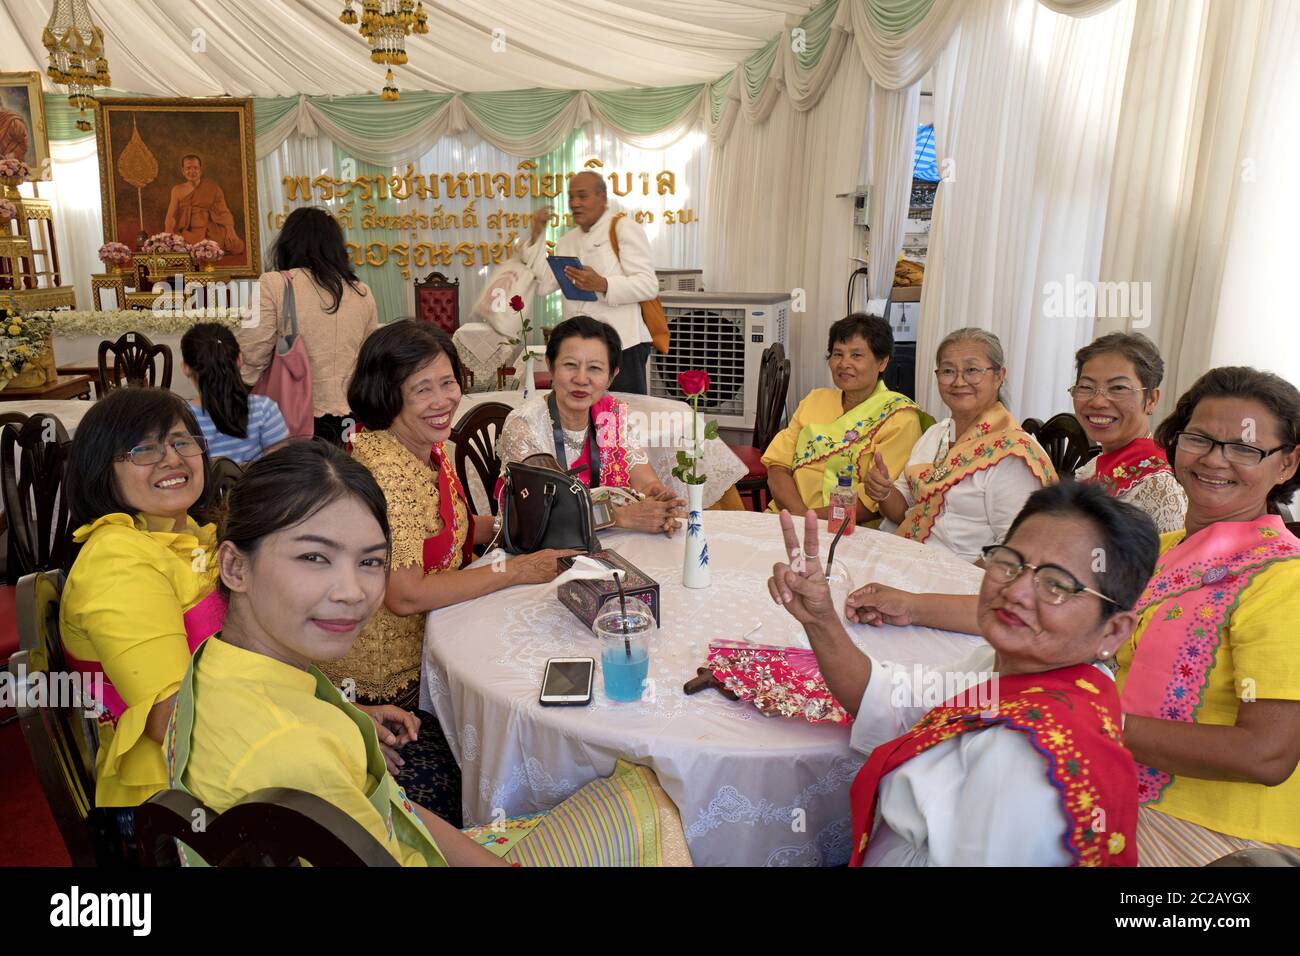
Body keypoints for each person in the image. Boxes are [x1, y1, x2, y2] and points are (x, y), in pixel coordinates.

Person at [846, 367, 1300, 865]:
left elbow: (1268, 754)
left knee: (956, 802)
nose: (1216, 459)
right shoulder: (1165, 550)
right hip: (1094, 765)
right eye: (1200, 439)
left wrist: (1079, 722)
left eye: (1246, 448)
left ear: (1287, 464)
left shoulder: (1283, 580)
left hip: (1207, 831)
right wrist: (912, 605)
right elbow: (1046, 610)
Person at [170, 442, 691, 866]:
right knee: (656, 802)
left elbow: (394, 810)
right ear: (235, 568)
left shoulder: (218, 667)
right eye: (314, 557)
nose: (352, 592)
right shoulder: (293, 753)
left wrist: (348, 715)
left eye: (370, 562)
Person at [768, 482, 1158, 865]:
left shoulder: (1021, 753)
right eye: (1010, 562)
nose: (1017, 591)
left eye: (1056, 585)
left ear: (1113, 631)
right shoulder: (1019, 675)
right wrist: (820, 620)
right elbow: (889, 697)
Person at [321, 320, 575, 824]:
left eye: (448, 382)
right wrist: (515, 569)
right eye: (422, 389)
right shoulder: (387, 473)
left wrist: (527, 524)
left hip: (426, 644)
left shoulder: (420, 449)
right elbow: (406, 593)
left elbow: (452, 531)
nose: (442, 401)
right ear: (387, 397)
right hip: (384, 686)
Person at [60, 388, 222, 842]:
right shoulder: (118, 559)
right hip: (169, 798)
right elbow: (171, 722)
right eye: (144, 448)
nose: (171, 458)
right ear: (101, 469)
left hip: (221, 752)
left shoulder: (184, 535)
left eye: (181, 441)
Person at [861, 327, 1056, 562]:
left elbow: (1018, 548)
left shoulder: (1013, 454)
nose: (958, 381)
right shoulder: (936, 434)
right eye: (948, 371)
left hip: (961, 579)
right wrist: (883, 492)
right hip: (908, 558)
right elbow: (903, 511)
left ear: (999, 376)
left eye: (972, 370)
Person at [495, 315, 686, 535]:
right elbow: (537, 514)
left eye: (595, 368)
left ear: (611, 376)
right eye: (570, 365)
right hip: (544, 550)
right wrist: (619, 516)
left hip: (606, 540)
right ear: (550, 365)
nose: (581, 379)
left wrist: (658, 502)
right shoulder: (525, 424)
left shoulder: (609, 417)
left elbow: (644, 482)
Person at [237, 206, 379, 447]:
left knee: (299, 481)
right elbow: (372, 356)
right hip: (352, 413)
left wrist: (244, 382)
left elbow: (252, 348)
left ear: (288, 243)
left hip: (290, 413)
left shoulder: (273, 284)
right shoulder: (362, 291)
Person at [762, 313, 923, 521]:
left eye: (856, 355)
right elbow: (777, 466)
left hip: (848, 529)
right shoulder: (815, 400)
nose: (844, 363)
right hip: (788, 515)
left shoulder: (899, 418)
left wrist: (809, 520)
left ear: (882, 362)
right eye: (837, 354)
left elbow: (874, 502)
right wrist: (800, 515)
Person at [521, 171, 659, 394]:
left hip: (622, 345)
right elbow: (543, 285)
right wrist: (536, 235)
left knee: (622, 417)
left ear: (602, 198)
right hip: (578, 349)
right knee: (580, 419)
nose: (575, 203)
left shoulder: (623, 228)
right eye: (571, 197)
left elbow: (648, 285)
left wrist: (603, 284)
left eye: (582, 196)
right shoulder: (567, 240)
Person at [1069, 332, 1186, 533]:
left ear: (1151, 399)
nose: (1097, 402)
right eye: (1087, 387)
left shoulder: (1160, 488)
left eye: (1118, 388)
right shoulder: (1092, 467)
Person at [180, 322, 289, 464]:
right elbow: (280, 466)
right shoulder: (265, 409)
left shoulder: (181, 420)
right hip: (256, 485)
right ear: (239, 360)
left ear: (185, 368)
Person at [163, 154, 245, 257]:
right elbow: (170, 216)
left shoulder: (213, 188)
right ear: (183, 171)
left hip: (210, 231)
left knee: (235, 246)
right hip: (187, 232)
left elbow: (224, 212)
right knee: (181, 246)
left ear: (200, 170)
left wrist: (231, 231)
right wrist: (168, 235)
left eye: (195, 168)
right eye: (188, 168)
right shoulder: (177, 190)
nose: (192, 172)